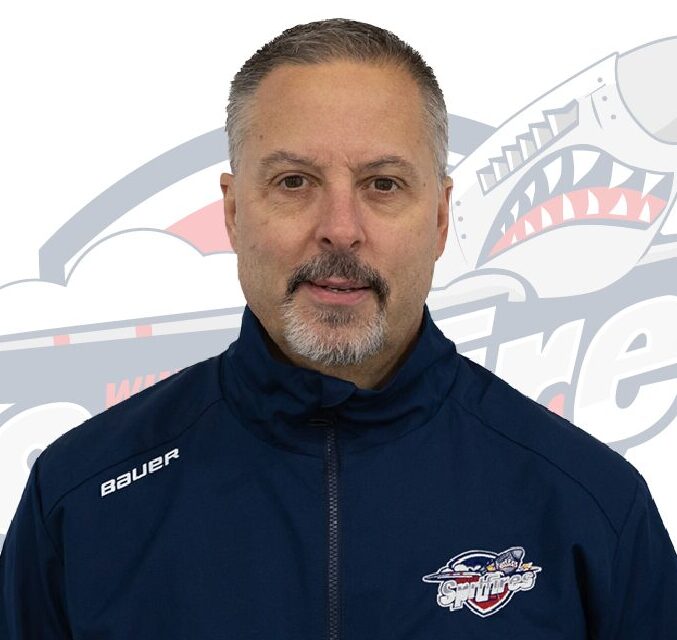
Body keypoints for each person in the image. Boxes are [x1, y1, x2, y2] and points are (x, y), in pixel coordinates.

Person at [1, 17, 676, 640]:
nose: (341, 229)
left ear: (440, 217)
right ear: (233, 213)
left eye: (382, 185)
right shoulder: (80, 498)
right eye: (294, 182)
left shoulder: (590, 506)